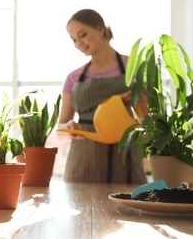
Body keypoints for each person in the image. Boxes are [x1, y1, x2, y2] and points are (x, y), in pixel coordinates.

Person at [58, 9, 147, 184]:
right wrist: (68, 128)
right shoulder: (73, 77)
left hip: (126, 158)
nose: (78, 43)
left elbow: (151, 120)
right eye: (74, 40)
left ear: (100, 30)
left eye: (82, 35)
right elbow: (60, 130)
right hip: (82, 163)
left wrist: (141, 100)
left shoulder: (134, 67)